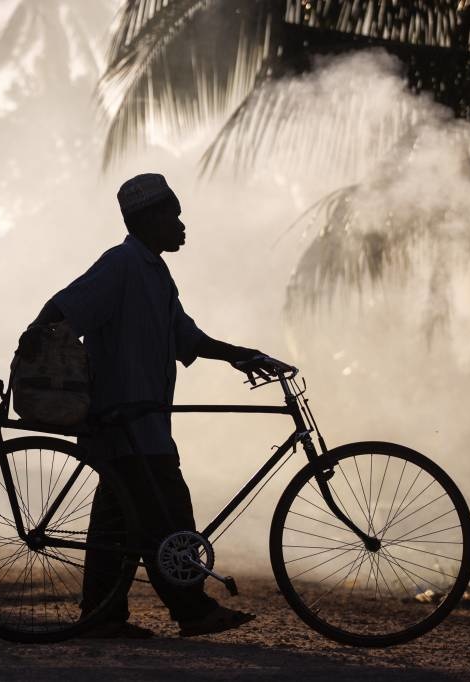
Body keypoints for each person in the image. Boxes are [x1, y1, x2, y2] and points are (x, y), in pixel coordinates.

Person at [27, 173, 293, 639]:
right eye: (173, 213)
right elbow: (64, 307)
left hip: (142, 423)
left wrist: (241, 355)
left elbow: (186, 337)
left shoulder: (155, 272)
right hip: (123, 420)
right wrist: (34, 349)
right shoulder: (123, 264)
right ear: (148, 218)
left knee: (122, 522)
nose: (181, 223)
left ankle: (103, 616)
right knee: (167, 514)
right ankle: (191, 610)